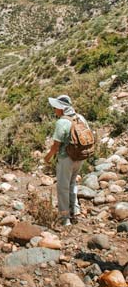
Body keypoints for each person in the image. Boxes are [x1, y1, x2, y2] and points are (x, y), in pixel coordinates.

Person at [44, 95, 90, 226]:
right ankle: (75, 210)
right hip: (80, 157)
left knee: (62, 187)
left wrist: (48, 157)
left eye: (56, 107)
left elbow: (56, 145)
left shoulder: (62, 122)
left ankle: (65, 218)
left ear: (62, 109)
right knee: (73, 183)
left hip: (66, 159)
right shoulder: (80, 118)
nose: (54, 110)